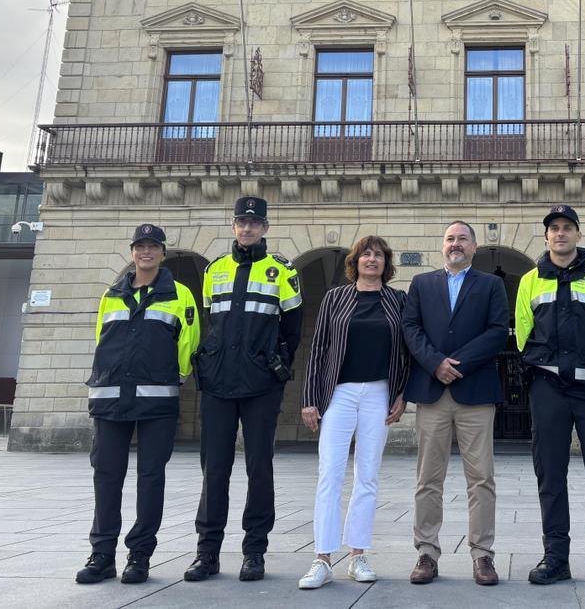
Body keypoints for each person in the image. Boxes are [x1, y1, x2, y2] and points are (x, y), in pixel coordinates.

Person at [184, 196, 303, 583]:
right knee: (213, 470)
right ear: (234, 226)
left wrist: (274, 365)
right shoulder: (215, 269)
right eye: (241, 221)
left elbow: (293, 329)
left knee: (259, 468)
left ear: (265, 228)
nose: (247, 228)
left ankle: (254, 551)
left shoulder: (281, 270)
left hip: (260, 384)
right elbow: (210, 321)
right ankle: (207, 552)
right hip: (218, 383)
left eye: (254, 222)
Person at [76, 224, 199, 585]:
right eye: (140, 246)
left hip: (156, 400)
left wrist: (173, 375)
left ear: (163, 253)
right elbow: (103, 339)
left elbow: (189, 340)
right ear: (132, 252)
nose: (146, 252)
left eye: (153, 247)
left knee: (150, 479)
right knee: (106, 477)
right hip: (110, 399)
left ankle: (139, 557)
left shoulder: (180, 294)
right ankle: (102, 555)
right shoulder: (111, 294)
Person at [514, 205, 585, 587]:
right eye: (554, 229)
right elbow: (523, 333)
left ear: (579, 235)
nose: (560, 234)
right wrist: (538, 368)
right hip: (548, 388)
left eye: (567, 228)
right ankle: (556, 556)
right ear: (545, 237)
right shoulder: (530, 281)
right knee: (550, 474)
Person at [297, 235, 411, 589]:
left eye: (378, 255)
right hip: (340, 394)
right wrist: (310, 398)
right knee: (329, 474)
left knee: (368, 475)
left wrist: (401, 393)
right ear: (355, 261)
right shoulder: (335, 299)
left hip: (378, 392)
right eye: (366, 254)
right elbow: (319, 350)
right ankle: (322, 558)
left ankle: (358, 554)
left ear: (385, 263)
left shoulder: (397, 300)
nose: (372, 260)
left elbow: (405, 351)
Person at [401, 221, 508, 586]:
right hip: (432, 393)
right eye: (450, 238)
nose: (455, 244)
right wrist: (435, 364)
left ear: (474, 247)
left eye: (463, 238)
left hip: (475, 391)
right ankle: (426, 553)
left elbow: (498, 331)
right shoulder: (421, 284)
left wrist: (455, 365)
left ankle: (483, 556)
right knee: (428, 479)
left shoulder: (491, 285)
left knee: (481, 479)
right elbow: (410, 328)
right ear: (442, 246)